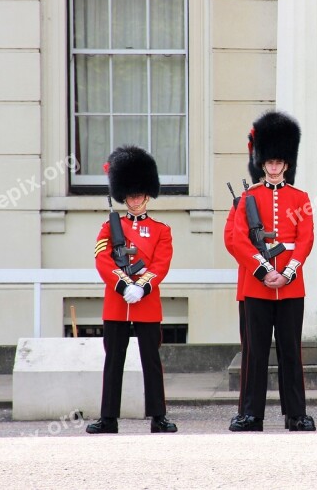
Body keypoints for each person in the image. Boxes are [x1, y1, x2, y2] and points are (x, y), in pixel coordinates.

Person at [228, 110, 316, 432]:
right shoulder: (249, 197)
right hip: (257, 286)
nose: (275, 166)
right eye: (270, 161)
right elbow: (239, 240)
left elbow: (305, 239)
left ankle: (296, 413)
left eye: (280, 161)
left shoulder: (300, 198)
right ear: (262, 162)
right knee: (255, 354)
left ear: (286, 164)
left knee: (291, 352)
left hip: (291, 287)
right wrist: (264, 271)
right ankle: (252, 414)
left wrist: (288, 272)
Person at [87, 145, 177, 434]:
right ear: (124, 196)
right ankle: (108, 417)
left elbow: (161, 263)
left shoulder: (162, 230)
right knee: (114, 361)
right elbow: (101, 258)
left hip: (146, 303)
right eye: (131, 195)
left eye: (139, 194)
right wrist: (122, 283)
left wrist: (141, 286)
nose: (135, 199)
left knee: (151, 361)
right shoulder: (109, 227)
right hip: (117, 303)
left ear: (147, 195)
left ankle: (158, 416)